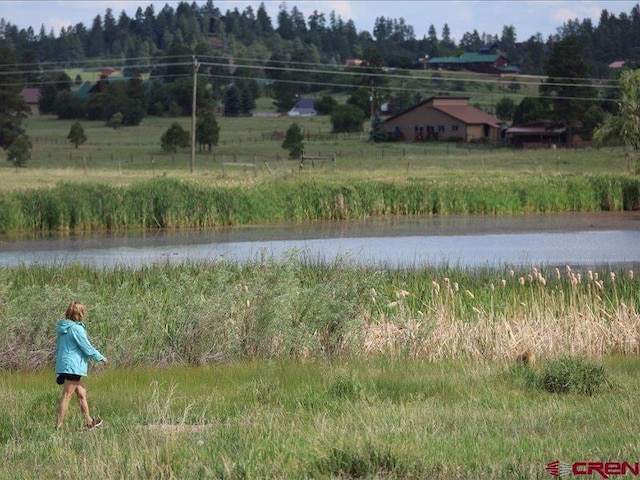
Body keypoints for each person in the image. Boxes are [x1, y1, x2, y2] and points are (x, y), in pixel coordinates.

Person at [55, 301, 108, 430]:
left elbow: (59, 348)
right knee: (67, 396)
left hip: (66, 364)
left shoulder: (63, 328)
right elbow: (86, 347)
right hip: (73, 366)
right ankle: (58, 427)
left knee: (82, 393)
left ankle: (90, 422)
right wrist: (101, 358)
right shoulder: (76, 329)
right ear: (79, 314)